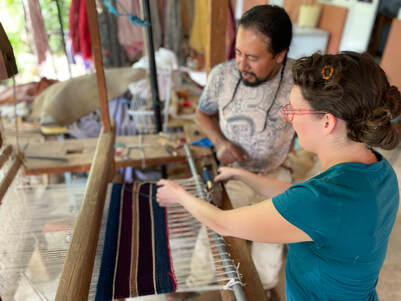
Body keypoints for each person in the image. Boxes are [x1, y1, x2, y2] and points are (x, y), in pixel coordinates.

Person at [157, 51, 401, 300]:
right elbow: (301, 197)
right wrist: (243, 175)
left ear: (327, 122)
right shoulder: (380, 171)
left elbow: (223, 223)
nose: (290, 119)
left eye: (294, 111)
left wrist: (179, 195)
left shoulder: (319, 201)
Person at [193, 5, 295, 291]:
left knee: (270, 246)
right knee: (213, 232)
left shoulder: (299, 81)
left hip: (274, 174)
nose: (241, 64)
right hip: (232, 172)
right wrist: (220, 142)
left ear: (279, 55)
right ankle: (195, 288)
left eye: (252, 57)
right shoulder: (222, 76)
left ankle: (262, 291)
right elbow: (202, 114)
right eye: (237, 52)